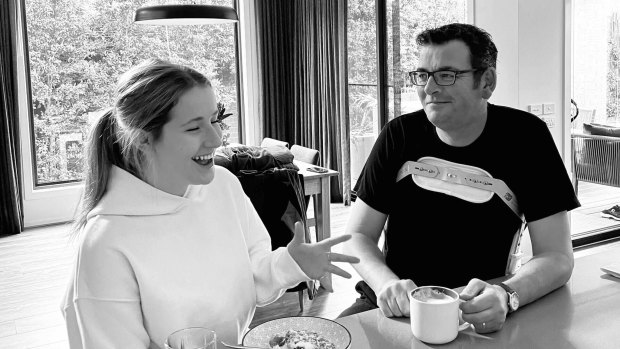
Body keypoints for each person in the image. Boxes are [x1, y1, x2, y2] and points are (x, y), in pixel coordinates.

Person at [61, 59, 359, 348]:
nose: (216, 138)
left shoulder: (223, 185)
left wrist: (292, 264)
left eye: (216, 119)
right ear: (142, 139)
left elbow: (251, 278)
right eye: (194, 128)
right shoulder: (105, 242)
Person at [340, 23, 579, 334]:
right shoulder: (398, 135)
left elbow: (558, 256)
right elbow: (357, 237)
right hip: (394, 309)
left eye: (446, 75)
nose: (429, 88)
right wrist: (388, 284)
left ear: (487, 81)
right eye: (422, 75)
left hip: (478, 313)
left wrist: (506, 295)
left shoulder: (526, 138)